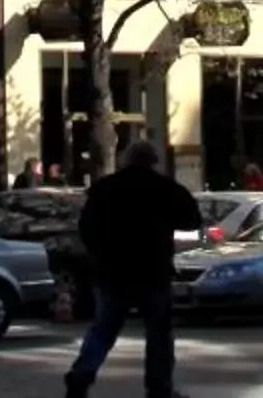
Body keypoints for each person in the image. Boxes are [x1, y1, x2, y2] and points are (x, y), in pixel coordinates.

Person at [67, 140, 201, 398]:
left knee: (103, 329)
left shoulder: (104, 188)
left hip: (111, 271)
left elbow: (86, 229)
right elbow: (192, 219)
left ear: (125, 160)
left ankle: (81, 375)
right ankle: (159, 387)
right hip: (153, 269)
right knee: (158, 333)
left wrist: (99, 253)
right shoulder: (166, 188)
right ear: (153, 161)